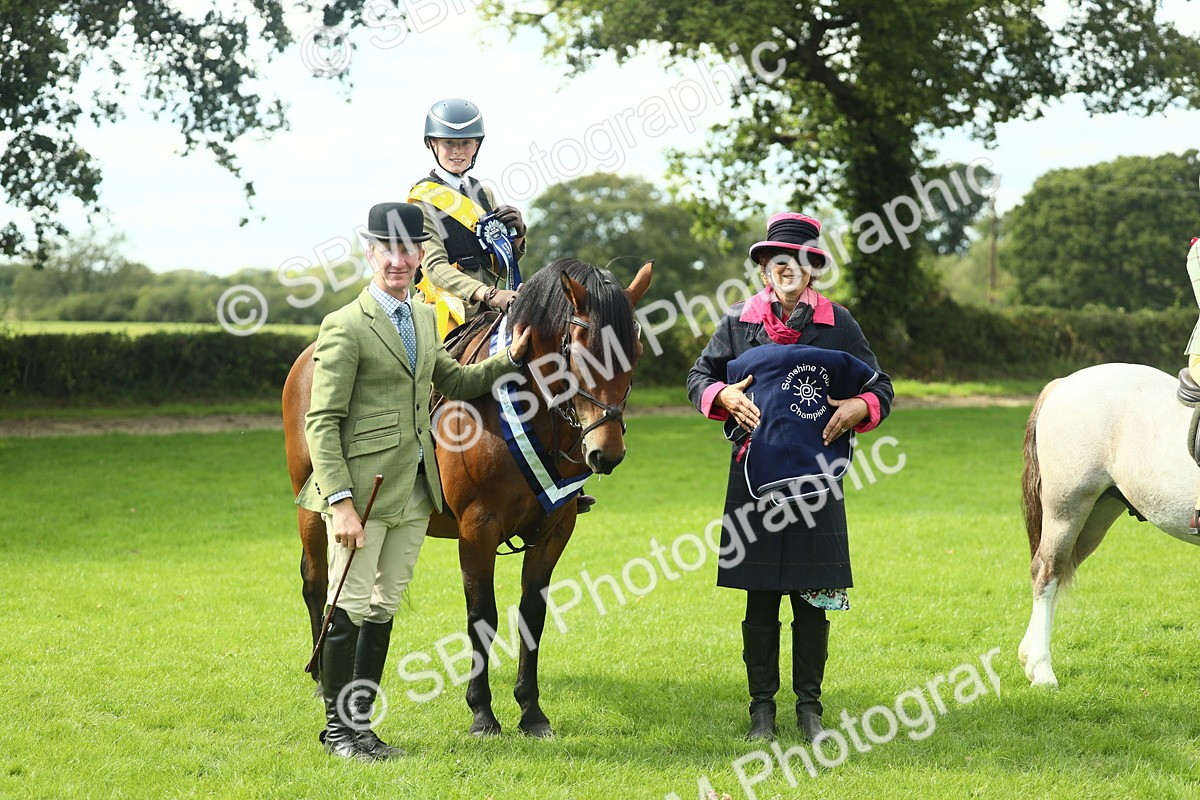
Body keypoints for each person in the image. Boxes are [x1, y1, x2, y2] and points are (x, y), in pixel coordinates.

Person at [296, 201, 529, 761]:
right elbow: (322, 421)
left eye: (407, 250)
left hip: (416, 491)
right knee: (349, 605)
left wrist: (510, 358)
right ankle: (337, 732)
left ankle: (361, 727)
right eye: (387, 251)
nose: (398, 261)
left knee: (382, 606)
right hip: (362, 492)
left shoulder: (424, 318)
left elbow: (455, 380)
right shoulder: (344, 325)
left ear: (420, 257)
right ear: (370, 254)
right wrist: (340, 503)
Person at [686, 212, 894, 742]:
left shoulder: (839, 324)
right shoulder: (738, 322)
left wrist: (859, 406)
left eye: (799, 261)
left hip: (817, 480)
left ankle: (809, 710)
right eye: (778, 261)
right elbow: (699, 376)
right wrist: (722, 395)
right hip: (752, 476)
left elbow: (881, 386)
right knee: (759, 595)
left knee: (812, 597)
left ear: (813, 269)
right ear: (764, 269)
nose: (788, 269)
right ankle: (761, 711)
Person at [408, 97, 526, 325]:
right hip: (444, 310)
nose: (458, 151)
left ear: (476, 146)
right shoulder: (423, 198)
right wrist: (489, 294)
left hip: (491, 308)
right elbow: (434, 267)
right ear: (431, 144)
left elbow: (497, 266)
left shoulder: (484, 193)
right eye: (449, 143)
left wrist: (518, 235)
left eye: (465, 143)